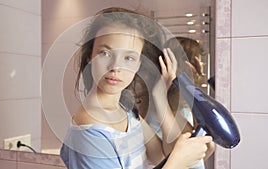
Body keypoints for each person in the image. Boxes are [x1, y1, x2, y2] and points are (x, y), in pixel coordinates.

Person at [60, 7, 213, 169]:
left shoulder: (125, 111)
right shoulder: (89, 132)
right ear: (90, 56)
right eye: (105, 53)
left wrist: (160, 96)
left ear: (139, 64)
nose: (116, 67)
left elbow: (160, 154)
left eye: (129, 58)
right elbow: (171, 160)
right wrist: (178, 161)